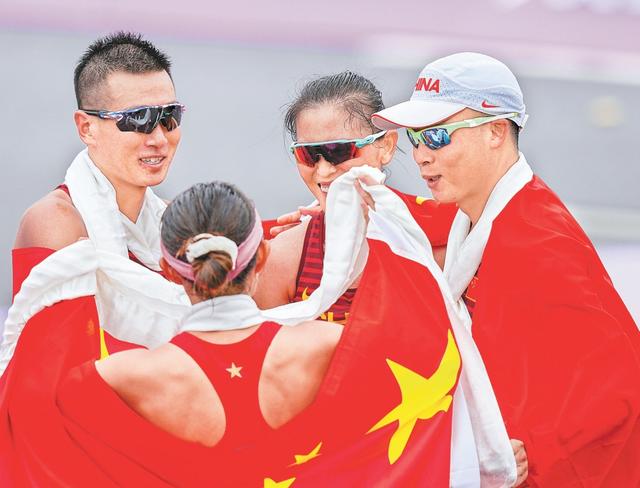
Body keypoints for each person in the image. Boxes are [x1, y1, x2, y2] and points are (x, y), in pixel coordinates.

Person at [371, 51, 640, 486]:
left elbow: (619, 386)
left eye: (437, 136)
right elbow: (416, 217)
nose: (420, 155)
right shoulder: (477, 214)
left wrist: (528, 450)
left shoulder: (539, 244)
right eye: (415, 138)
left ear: (496, 131)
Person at [10, 31, 184, 354]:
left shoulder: (176, 223)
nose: (159, 138)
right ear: (86, 128)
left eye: (169, 117)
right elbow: (50, 371)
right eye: (138, 119)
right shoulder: (58, 221)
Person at [254, 71, 456, 321]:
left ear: (386, 146)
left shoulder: (442, 241)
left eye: (338, 151)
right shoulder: (285, 257)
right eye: (307, 154)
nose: (323, 170)